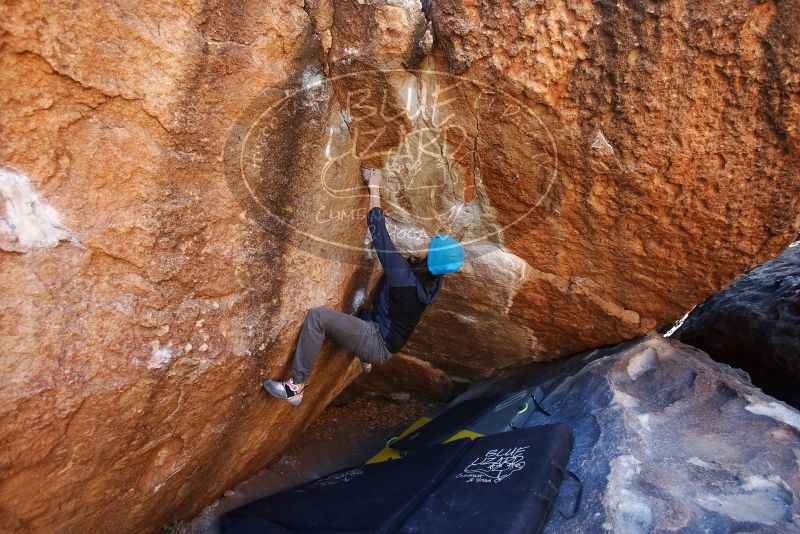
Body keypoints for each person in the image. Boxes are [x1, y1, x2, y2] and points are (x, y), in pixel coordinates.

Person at [262, 167, 465, 406]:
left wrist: (374, 187)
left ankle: (296, 387)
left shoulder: (404, 277)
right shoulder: (432, 277)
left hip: (377, 339)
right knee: (357, 312)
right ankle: (364, 354)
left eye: (431, 244)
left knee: (318, 318)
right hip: (383, 331)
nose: (426, 240)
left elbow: (378, 230)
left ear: (431, 258)